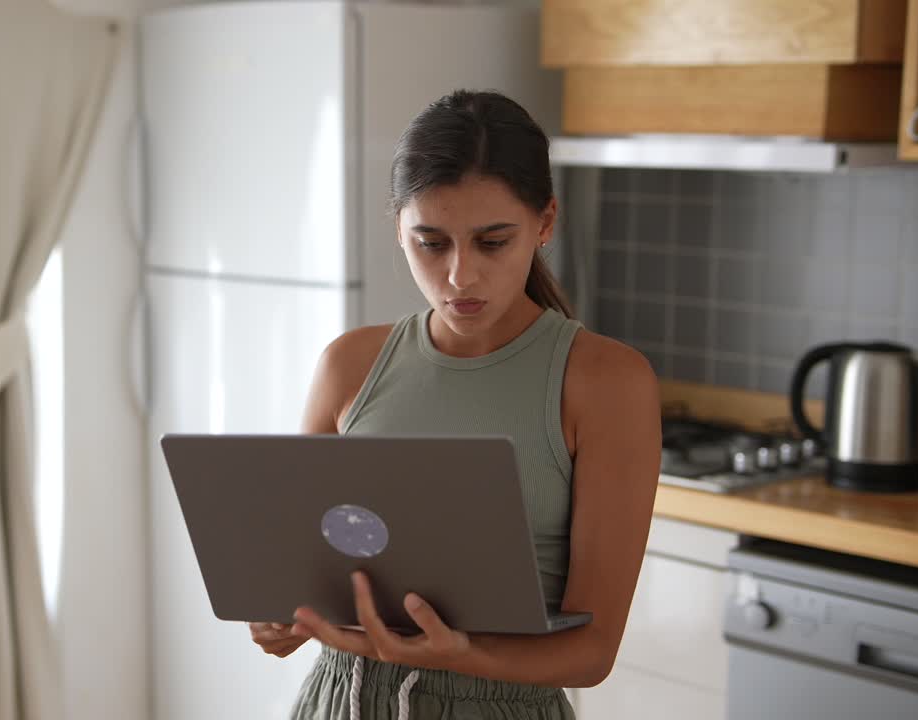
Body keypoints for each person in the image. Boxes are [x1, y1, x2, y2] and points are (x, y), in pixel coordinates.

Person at [247, 89, 662, 720]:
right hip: (341, 701)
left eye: (493, 242)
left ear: (545, 223)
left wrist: (460, 655)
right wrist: (284, 618)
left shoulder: (607, 382)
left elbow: (592, 651)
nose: (460, 276)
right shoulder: (348, 365)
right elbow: (306, 570)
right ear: (399, 230)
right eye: (431, 243)